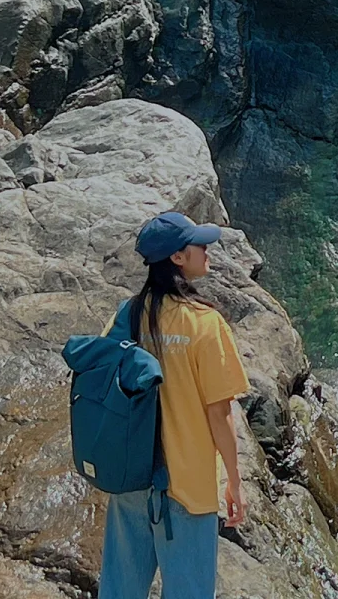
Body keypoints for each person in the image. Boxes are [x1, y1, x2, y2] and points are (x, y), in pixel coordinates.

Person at [98, 210, 250, 599]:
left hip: (131, 478)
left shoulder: (128, 314)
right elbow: (219, 415)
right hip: (188, 486)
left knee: (119, 591)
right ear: (178, 258)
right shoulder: (204, 323)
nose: (207, 249)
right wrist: (234, 481)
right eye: (200, 243)